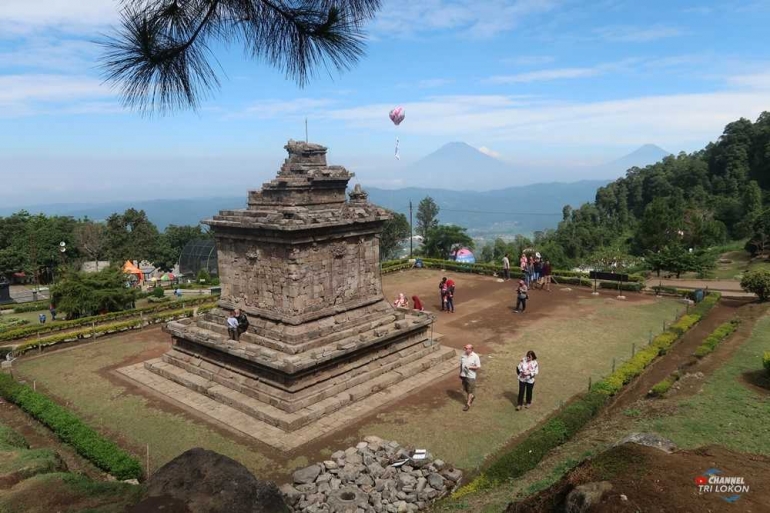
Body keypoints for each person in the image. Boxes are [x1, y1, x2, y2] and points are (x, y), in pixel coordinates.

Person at [459, 344, 481, 411]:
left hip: (471, 376)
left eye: (467, 348)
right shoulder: (463, 355)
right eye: (465, 348)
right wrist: (460, 373)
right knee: (465, 388)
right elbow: (461, 364)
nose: (466, 349)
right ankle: (472, 396)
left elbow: (478, 366)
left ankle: (468, 404)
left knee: (469, 391)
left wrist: (470, 367)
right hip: (464, 375)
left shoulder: (475, 356)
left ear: (471, 349)